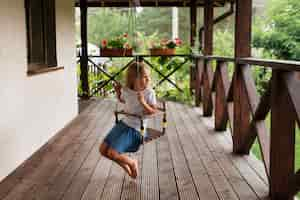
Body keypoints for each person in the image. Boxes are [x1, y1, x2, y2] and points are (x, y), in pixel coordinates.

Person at [99, 61, 157, 179]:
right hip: (123, 124)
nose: (147, 80)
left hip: (136, 129)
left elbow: (153, 111)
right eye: (143, 77)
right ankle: (128, 166)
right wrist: (118, 91)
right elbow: (123, 100)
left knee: (112, 153)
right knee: (103, 150)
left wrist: (143, 102)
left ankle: (132, 163)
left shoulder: (149, 93)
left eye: (147, 77)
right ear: (133, 79)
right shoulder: (127, 90)